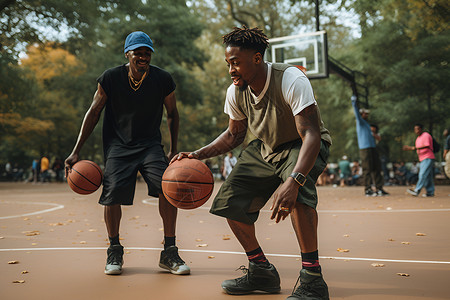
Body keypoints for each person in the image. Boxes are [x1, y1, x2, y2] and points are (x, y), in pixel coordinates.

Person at [173, 26, 332, 299]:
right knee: (228, 202)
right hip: (266, 148)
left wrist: (294, 180)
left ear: (257, 59)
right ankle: (261, 270)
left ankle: (313, 279)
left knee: (300, 195)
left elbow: (311, 134)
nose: (231, 69)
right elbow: (234, 135)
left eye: (235, 63)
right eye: (228, 63)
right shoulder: (235, 91)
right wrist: (197, 154)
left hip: (301, 145)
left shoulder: (291, 79)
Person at [64, 31, 189, 276]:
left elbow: (173, 114)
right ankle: (114, 249)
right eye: (138, 52)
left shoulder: (163, 79)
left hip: (150, 145)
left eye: (147, 52)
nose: (143, 56)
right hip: (119, 146)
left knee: (168, 187)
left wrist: (173, 149)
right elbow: (93, 112)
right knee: (111, 195)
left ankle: (170, 251)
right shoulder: (110, 78)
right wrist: (75, 151)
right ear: (127, 54)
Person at [351, 97, 389, 196]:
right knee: (367, 169)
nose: (366, 115)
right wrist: (354, 102)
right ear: (361, 114)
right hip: (365, 148)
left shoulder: (367, 125)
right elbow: (356, 114)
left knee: (377, 168)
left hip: (372, 148)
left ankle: (379, 188)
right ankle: (368, 189)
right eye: (364, 113)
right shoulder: (360, 123)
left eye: (367, 113)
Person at [403, 124, 435, 197]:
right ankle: (430, 192)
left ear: (421, 129)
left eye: (417, 129)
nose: (416, 131)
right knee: (428, 176)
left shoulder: (426, 135)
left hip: (428, 157)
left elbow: (427, 145)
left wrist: (412, 148)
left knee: (422, 174)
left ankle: (417, 190)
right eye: (415, 129)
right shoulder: (418, 138)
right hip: (422, 159)